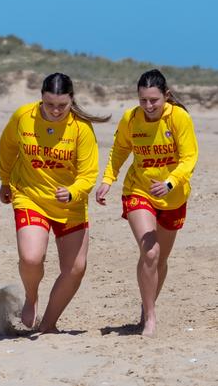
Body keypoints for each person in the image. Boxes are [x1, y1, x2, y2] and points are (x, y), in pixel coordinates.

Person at [0, 72, 110, 333]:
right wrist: (5, 181)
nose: (56, 110)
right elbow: (7, 149)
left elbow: (88, 173)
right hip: (30, 197)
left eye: (62, 105)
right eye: (50, 105)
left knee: (75, 269)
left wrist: (72, 191)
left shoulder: (81, 127)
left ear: (72, 100)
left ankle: (48, 324)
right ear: (41, 99)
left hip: (70, 204)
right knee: (31, 258)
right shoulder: (24, 117)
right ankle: (32, 297)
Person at [95, 69, 198, 337]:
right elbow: (119, 150)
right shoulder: (131, 119)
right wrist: (107, 179)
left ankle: (146, 304)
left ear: (166, 96)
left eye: (154, 100)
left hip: (173, 195)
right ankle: (150, 318)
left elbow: (189, 158)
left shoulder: (178, 118)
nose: (149, 106)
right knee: (150, 252)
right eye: (143, 100)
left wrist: (170, 183)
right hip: (138, 190)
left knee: (160, 259)